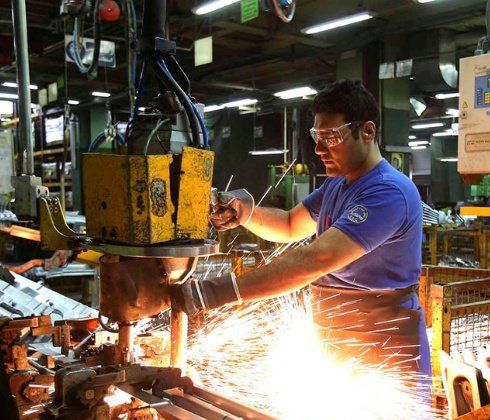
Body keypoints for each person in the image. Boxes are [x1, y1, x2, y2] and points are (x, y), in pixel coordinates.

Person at [172, 80, 429, 375]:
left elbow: (317, 259)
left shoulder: (388, 191)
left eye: (331, 136)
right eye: (317, 136)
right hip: (337, 340)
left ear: (367, 132)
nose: (318, 149)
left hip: (384, 349)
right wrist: (246, 213)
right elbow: (290, 224)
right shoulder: (336, 184)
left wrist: (212, 293)